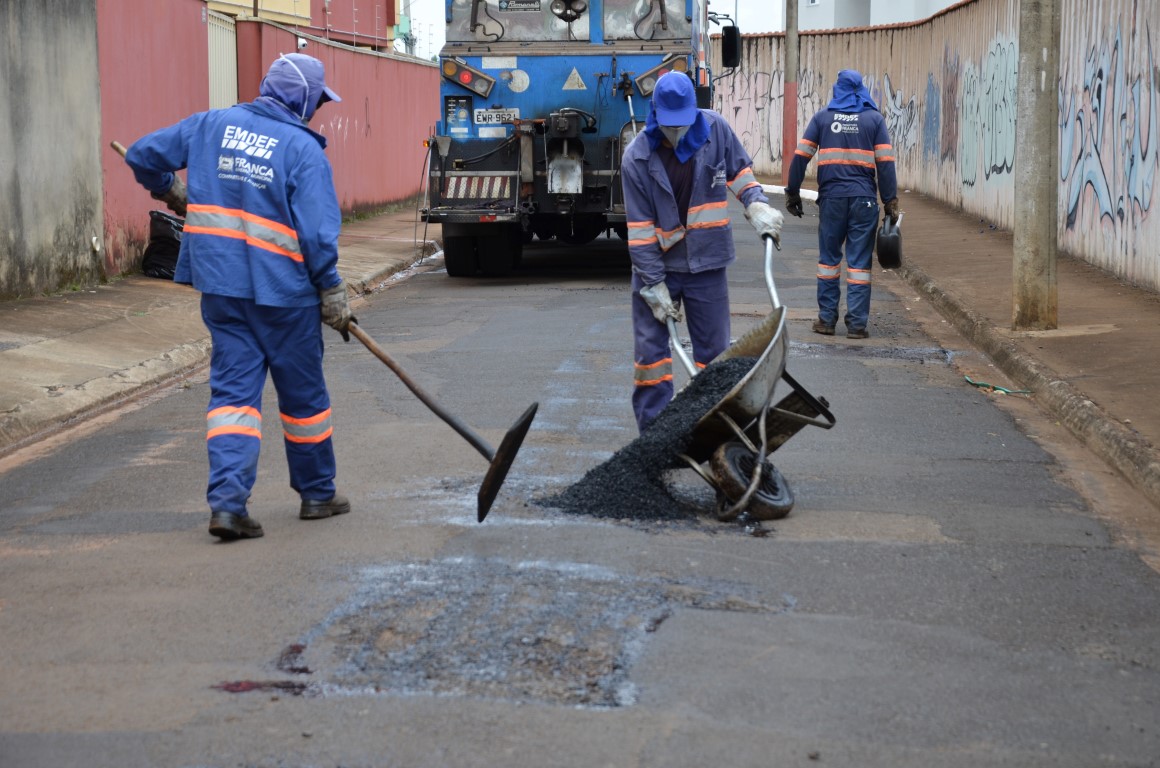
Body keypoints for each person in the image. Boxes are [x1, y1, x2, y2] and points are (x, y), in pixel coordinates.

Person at [125, 53, 354, 541]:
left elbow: (143, 154)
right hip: (286, 297)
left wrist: (170, 190)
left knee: (232, 399)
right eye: (317, 101)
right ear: (306, 101)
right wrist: (331, 287)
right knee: (304, 399)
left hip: (224, 291)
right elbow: (316, 236)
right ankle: (317, 494)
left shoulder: (211, 125)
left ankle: (228, 505)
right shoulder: (303, 150)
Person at [621, 71, 783, 433]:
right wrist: (653, 284)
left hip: (707, 264)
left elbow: (740, 173)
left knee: (714, 358)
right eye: (669, 124)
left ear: (695, 110)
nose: (676, 131)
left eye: (682, 122)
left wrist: (756, 204)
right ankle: (655, 438)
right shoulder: (637, 158)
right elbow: (641, 231)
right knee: (652, 359)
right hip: (657, 268)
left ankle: (713, 433)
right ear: (655, 114)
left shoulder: (716, 130)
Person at [785, 69, 898, 340]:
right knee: (859, 265)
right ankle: (857, 325)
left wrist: (793, 192)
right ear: (861, 90)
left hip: (832, 200)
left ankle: (826, 320)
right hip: (864, 201)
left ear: (838, 89)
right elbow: (885, 164)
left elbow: (800, 157)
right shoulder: (874, 120)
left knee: (829, 261)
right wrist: (890, 200)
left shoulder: (822, 118)